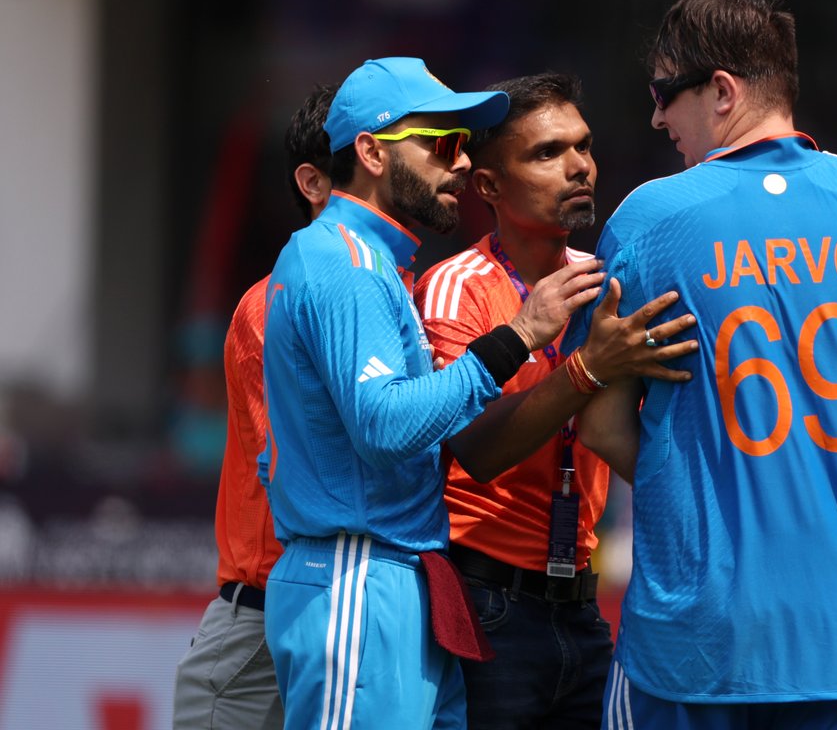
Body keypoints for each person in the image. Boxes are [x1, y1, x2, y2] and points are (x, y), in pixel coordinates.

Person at [568, 0, 837, 729]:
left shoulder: (653, 218)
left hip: (700, 651)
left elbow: (600, 426)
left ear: (723, 91)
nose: (658, 116)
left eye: (666, 93)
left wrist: (703, 478)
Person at [259, 57, 690, 730]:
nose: (455, 165)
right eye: (441, 144)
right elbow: (385, 427)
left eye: (584, 147)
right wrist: (529, 343)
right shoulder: (348, 262)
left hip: (448, 581)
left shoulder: (373, 261)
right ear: (371, 152)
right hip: (381, 574)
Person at [415, 72, 694, 729]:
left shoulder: (613, 282)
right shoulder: (458, 287)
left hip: (583, 605)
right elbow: (476, 449)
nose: (578, 167)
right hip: (486, 603)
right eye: (547, 153)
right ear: (487, 186)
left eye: (584, 147)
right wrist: (589, 368)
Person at [173, 83, 336, 730]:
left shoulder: (413, 302)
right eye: (380, 155)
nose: (451, 165)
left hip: (348, 613)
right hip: (264, 621)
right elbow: (302, 473)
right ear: (314, 183)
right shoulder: (275, 305)